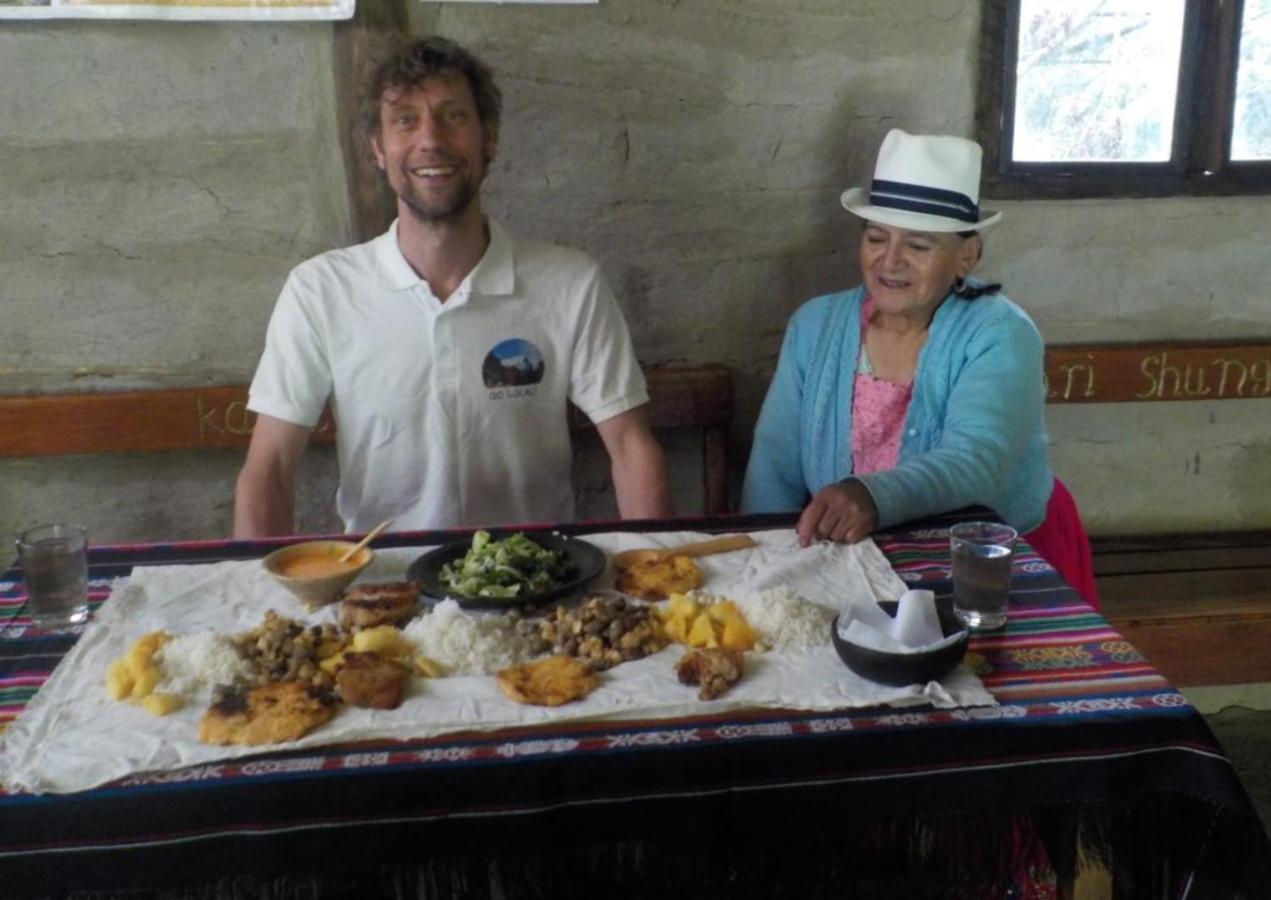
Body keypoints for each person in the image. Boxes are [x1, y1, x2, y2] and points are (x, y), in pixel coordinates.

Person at [234, 36, 672, 538]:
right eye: (405, 120)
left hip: (539, 571)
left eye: (454, 116)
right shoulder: (319, 290)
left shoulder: (570, 282)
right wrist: (254, 578)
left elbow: (631, 447)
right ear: (377, 149)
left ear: (489, 139)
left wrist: (658, 569)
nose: (430, 140)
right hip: (384, 575)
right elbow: (270, 466)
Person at [741, 129, 1097, 606]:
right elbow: (774, 466)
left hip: (990, 560)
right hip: (855, 560)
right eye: (876, 238)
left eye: (919, 246)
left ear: (966, 256)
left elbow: (976, 461)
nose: (890, 261)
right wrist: (764, 561)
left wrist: (870, 495)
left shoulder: (1000, 334)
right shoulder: (816, 325)